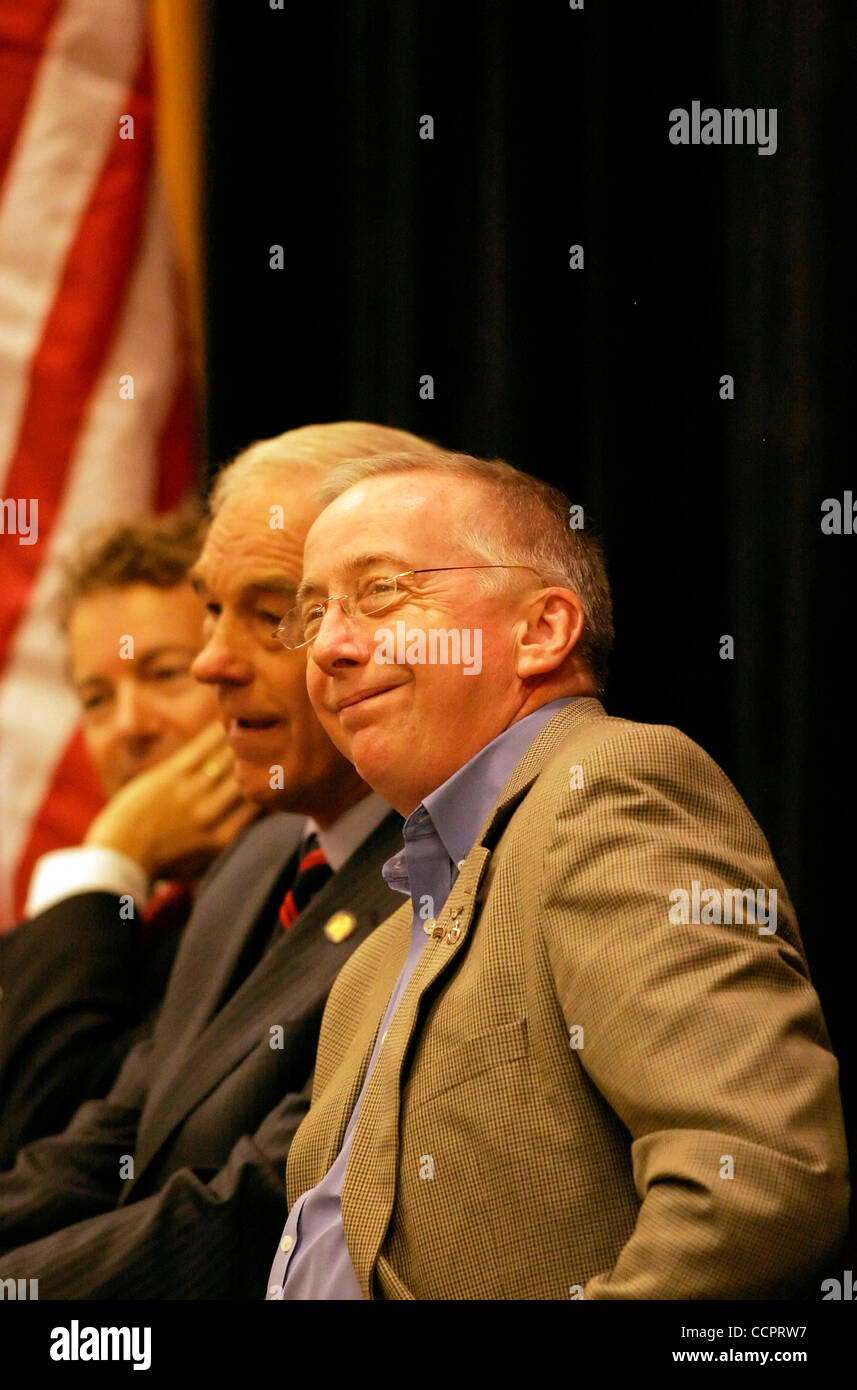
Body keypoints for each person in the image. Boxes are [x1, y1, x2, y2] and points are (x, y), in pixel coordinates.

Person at [268, 448, 849, 1300]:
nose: (328, 647)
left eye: (381, 591)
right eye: (311, 613)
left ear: (540, 630)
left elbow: (758, 1177)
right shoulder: (372, 965)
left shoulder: (606, 786)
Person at [0, 421, 433, 1297]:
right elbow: (102, 1142)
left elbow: (259, 1210)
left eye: (271, 617)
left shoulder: (450, 871)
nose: (211, 665)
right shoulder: (260, 865)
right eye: (210, 609)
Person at [0, 512, 255, 1165]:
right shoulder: (139, 934)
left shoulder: (300, 903)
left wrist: (109, 858)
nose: (128, 727)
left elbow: (40, 1120)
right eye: (96, 698)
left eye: (166, 674)